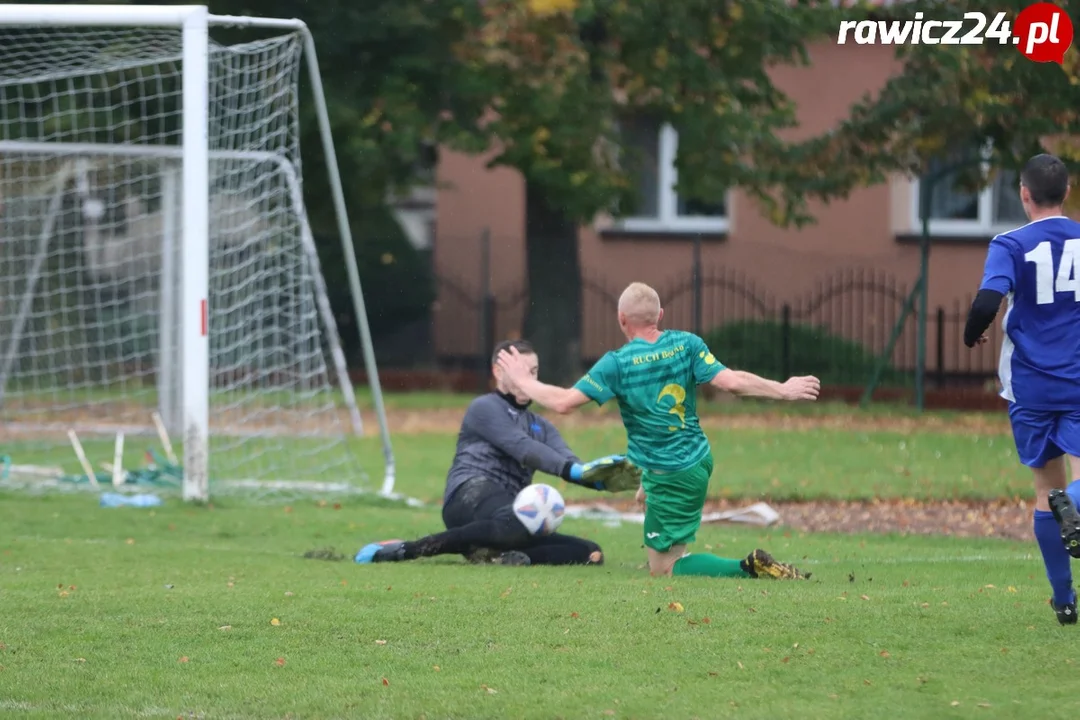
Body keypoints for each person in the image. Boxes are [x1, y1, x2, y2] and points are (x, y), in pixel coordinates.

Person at [496, 282, 819, 581]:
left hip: (672, 473)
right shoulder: (686, 344)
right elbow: (732, 382)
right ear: (660, 316)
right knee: (644, 494)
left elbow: (564, 402)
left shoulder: (617, 363)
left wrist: (524, 382)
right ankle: (652, 499)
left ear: (622, 319)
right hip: (697, 457)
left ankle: (747, 567)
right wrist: (783, 388)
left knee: (665, 568)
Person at [355, 339, 639, 567]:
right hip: (469, 496)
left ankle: (504, 557)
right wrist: (575, 471)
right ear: (498, 372)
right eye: (520, 372)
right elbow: (524, 448)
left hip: (512, 515)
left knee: (590, 552)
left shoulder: (543, 426)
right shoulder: (484, 408)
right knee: (516, 521)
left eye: (533, 372)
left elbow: (570, 463)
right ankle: (406, 550)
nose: (528, 379)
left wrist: (599, 477)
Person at [963, 152, 1080, 625]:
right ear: (1067, 192)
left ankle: (1064, 599)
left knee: (1043, 490)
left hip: (1028, 385)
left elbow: (990, 297)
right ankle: (1073, 505)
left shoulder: (1008, 243)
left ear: (1024, 194)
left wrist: (974, 332)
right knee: (1069, 490)